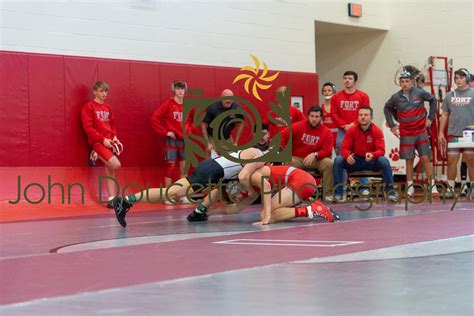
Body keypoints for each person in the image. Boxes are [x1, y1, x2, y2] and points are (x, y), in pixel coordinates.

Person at [113, 147, 265, 227]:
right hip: (212, 171)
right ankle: (126, 201)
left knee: (219, 190)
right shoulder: (261, 158)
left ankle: (199, 211)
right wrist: (251, 192)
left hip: (214, 170)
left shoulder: (254, 153)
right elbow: (244, 176)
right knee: (171, 193)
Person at [384, 70, 439, 197]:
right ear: (399, 83)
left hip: (421, 131)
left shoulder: (419, 93)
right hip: (406, 133)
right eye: (402, 82)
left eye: (407, 81)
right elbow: (387, 108)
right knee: (409, 160)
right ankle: (410, 188)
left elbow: (433, 100)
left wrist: (430, 118)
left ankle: (433, 186)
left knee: (425, 158)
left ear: (412, 82)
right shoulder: (396, 97)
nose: (405, 84)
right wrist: (393, 125)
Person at [333, 106, 398, 202]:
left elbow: (381, 150)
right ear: (358, 117)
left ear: (371, 117)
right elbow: (344, 148)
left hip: (371, 161)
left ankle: (390, 193)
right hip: (355, 161)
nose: (363, 117)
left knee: (383, 161)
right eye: (360, 115)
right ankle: (339, 194)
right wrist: (347, 156)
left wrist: (373, 155)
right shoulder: (352, 130)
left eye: (366, 115)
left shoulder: (377, 131)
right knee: (338, 160)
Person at [248, 165, 339, 225]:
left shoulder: (254, 176)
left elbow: (266, 187)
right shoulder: (253, 175)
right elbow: (237, 207)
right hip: (306, 180)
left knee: (265, 215)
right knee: (269, 213)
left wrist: (267, 215)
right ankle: (317, 209)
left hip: (300, 180)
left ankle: (311, 210)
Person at [81, 81, 122, 208]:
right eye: (101, 91)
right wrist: (102, 139)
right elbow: (88, 128)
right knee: (116, 165)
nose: (104, 94)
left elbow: (112, 125)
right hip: (98, 143)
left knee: (110, 170)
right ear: (95, 92)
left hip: (109, 142)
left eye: (105, 91)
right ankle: (96, 154)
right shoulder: (89, 107)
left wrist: (114, 136)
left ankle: (111, 198)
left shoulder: (108, 107)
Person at [280, 105, 334, 201]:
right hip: (297, 158)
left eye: (317, 117)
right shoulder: (298, 126)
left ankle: (327, 195)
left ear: (321, 118)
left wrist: (316, 154)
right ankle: (288, 195)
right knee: (287, 163)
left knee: (329, 164)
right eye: (312, 116)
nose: (314, 119)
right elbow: (282, 135)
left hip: (316, 159)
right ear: (308, 116)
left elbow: (328, 150)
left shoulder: (326, 132)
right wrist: (285, 152)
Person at [330, 70, 371, 194]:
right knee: (341, 159)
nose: (347, 80)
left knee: (361, 156)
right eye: (345, 78)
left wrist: (353, 124)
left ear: (355, 81)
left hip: (359, 131)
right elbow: (334, 114)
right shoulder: (336, 97)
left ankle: (364, 187)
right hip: (342, 131)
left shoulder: (363, 96)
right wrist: (344, 125)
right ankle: (341, 189)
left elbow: (365, 113)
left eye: (350, 78)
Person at [438, 68, 474, 198]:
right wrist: (441, 132)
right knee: (451, 160)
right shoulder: (449, 95)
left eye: (461, 78)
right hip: (453, 133)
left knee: (471, 161)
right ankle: (450, 188)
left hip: (470, 134)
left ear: (467, 79)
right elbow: (445, 114)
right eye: (456, 78)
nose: (458, 80)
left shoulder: (473, 93)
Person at [150, 81, 187, 194]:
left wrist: (188, 131)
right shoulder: (168, 104)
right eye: (178, 89)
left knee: (184, 168)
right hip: (172, 139)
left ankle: (182, 194)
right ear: (174, 90)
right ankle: (168, 195)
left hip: (183, 139)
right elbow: (154, 118)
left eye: (182, 89)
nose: (180, 91)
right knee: (170, 167)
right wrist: (165, 132)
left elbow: (192, 120)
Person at [202, 89, 244, 158]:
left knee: (232, 160)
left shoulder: (237, 108)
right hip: (213, 138)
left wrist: (236, 142)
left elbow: (240, 123)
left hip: (227, 138)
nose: (228, 100)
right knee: (210, 162)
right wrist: (208, 143)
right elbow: (203, 125)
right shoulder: (212, 108)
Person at [321, 82, 338, 151]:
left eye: (329, 90)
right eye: (324, 91)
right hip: (326, 134)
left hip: (337, 134)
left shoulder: (338, 106)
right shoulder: (320, 107)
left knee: (339, 156)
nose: (326, 92)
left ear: (334, 92)